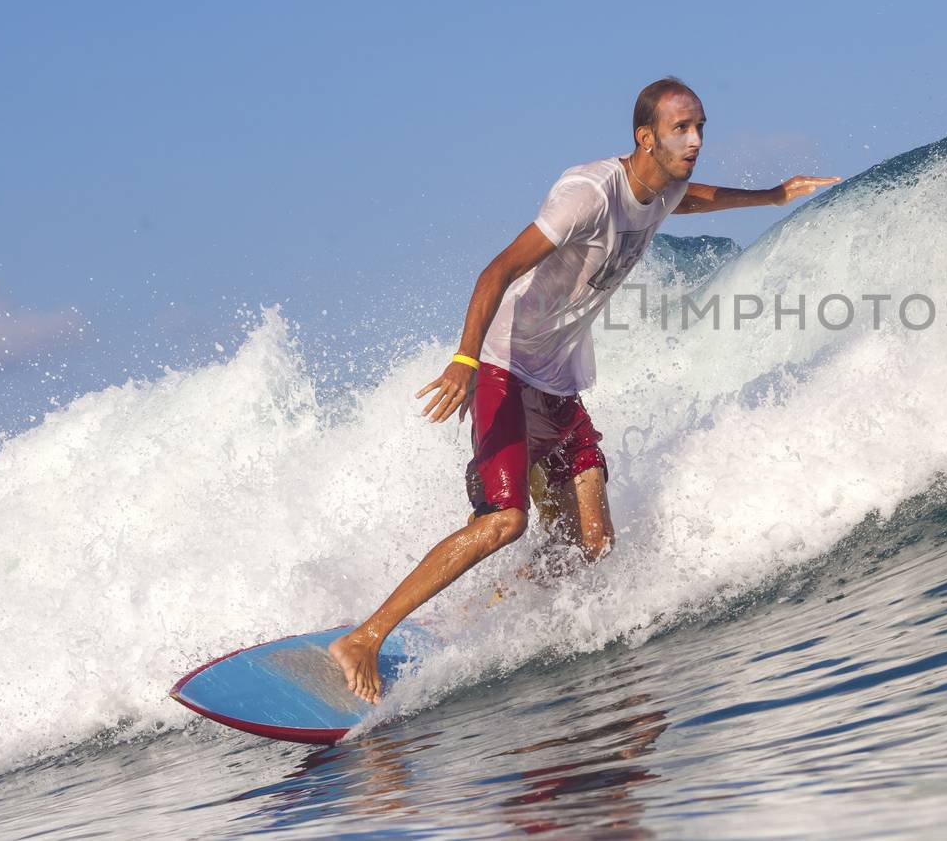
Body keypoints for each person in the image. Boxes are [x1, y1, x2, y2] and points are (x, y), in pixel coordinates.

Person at [328, 77, 840, 702]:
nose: (697, 139)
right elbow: (497, 269)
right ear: (644, 138)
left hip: (560, 383)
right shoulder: (587, 195)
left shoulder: (665, 184)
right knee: (505, 522)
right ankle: (366, 636)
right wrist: (463, 358)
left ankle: (478, 616)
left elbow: (691, 200)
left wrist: (774, 195)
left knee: (591, 546)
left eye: (702, 125)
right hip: (505, 369)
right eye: (682, 127)